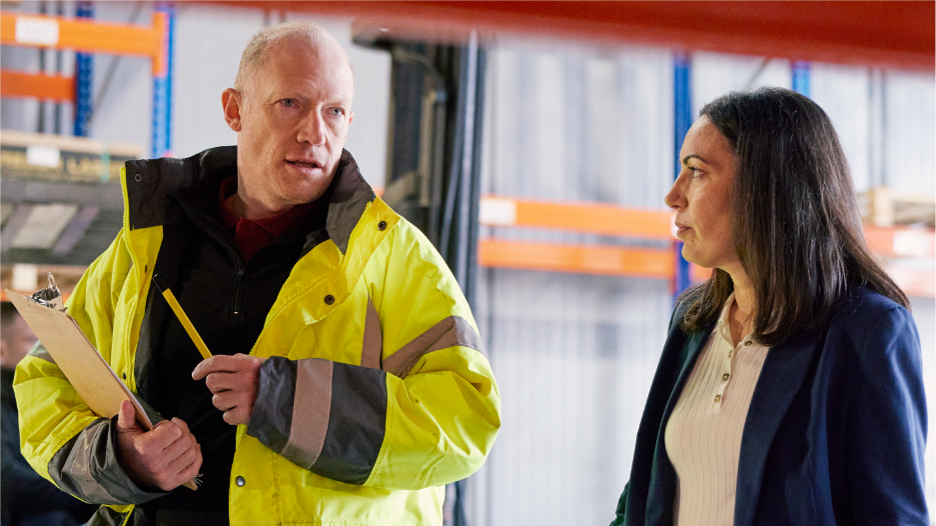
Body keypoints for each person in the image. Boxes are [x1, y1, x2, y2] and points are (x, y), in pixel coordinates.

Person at [14, 21, 500, 526]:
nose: (315, 132)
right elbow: (45, 383)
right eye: (290, 103)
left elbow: (464, 422)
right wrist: (122, 459)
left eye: (333, 112)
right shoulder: (146, 246)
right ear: (234, 109)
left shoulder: (396, 260)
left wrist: (285, 399)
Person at [611, 87, 927, 525]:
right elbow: (643, 494)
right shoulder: (692, 323)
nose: (673, 195)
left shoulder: (866, 329)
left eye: (696, 172)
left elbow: (892, 515)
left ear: (765, 188)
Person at [0, 302, 97, 526]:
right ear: (2, 352)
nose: (44, 352)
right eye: (32, 342)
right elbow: (10, 481)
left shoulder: (25, 402)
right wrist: (87, 496)